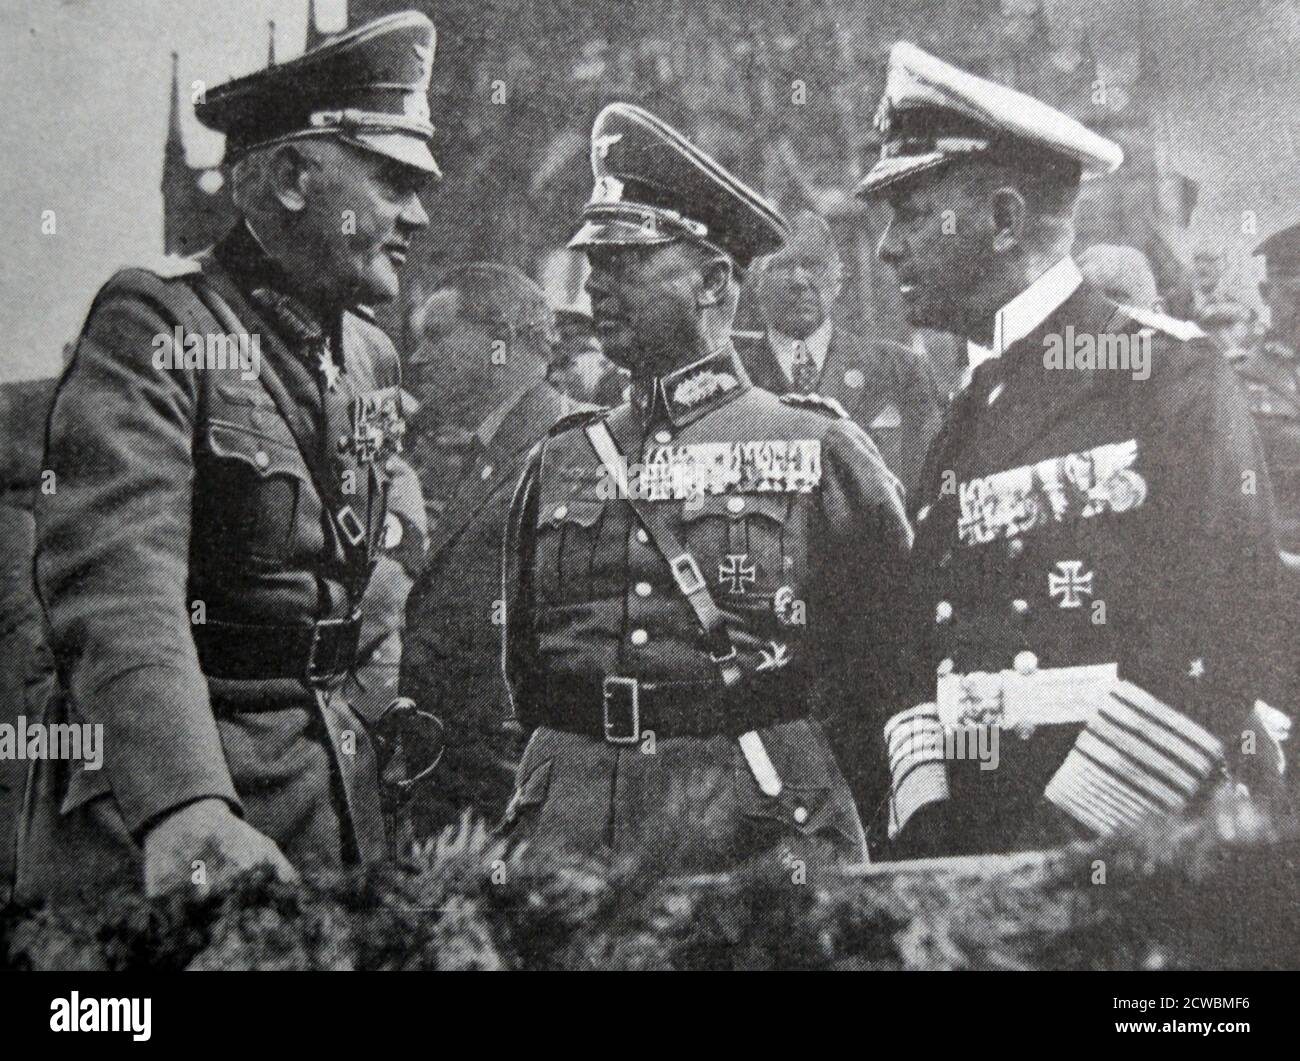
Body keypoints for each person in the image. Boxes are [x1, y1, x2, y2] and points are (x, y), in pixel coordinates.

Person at [16, 11, 441, 899]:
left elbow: (364, 577)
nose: (418, 212)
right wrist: (183, 804)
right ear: (291, 176)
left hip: (331, 801)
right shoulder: (155, 324)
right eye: (394, 179)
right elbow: (119, 588)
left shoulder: (369, 356)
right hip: (172, 817)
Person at [860, 43, 1282, 857]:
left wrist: (1069, 842)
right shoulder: (969, 404)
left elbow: (1220, 632)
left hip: (1134, 848)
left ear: (1006, 218)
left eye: (911, 214)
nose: (887, 248)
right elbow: (925, 637)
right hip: (982, 845)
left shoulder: (1161, 369)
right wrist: (933, 821)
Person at [501, 103, 912, 876]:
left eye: (626, 264)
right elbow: (527, 676)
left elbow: (888, 669)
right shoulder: (559, 457)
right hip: (570, 829)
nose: (597, 288)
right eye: (596, 266)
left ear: (714, 279)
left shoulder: (816, 446)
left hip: (751, 825)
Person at [401, 264, 588, 836]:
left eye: (437, 335)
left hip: (507, 777)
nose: (418, 359)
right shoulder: (500, 444)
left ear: (500, 342)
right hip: (461, 772)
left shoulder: (565, 445)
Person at [744, 209, 944, 496]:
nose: (800, 281)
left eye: (813, 265)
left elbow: (931, 488)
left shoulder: (901, 369)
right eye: (783, 265)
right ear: (756, 283)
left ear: (837, 280)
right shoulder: (733, 375)